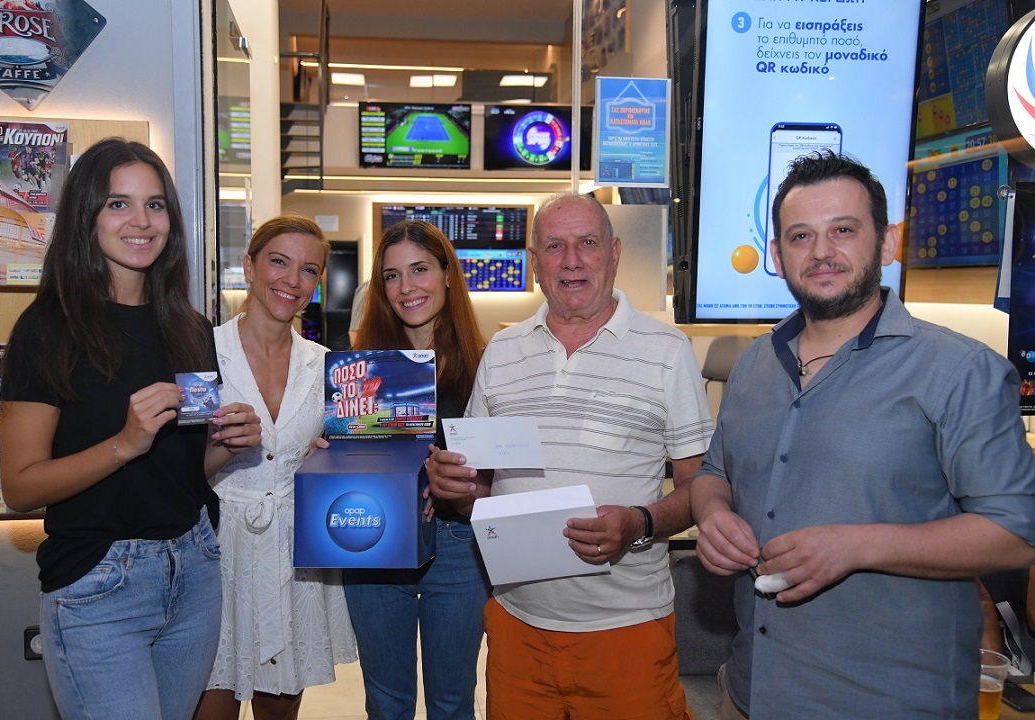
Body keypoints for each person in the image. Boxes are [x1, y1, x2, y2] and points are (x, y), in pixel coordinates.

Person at [689, 151, 1035, 718]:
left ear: (888, 242)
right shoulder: (753, 364)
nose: (821, 252)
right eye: (801, 236)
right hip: (750, 694)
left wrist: (857, 546)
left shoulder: (959, 370)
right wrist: (713, 515)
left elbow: (1016, 531)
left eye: (843, 230)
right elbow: (714, 473)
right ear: (777, 256)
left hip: (888, 702)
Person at [0, 137, 262, 720]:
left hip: (194, 572)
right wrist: (123, 445)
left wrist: (229, 444)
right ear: (86, 216)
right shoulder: (47, 330)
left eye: (155, 204)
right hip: (99, 585)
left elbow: (186, 472)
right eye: (118, 204)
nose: (141, 221)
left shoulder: (190, 328)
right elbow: (19, 486)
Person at [427, 193, 713, 720]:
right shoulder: (502, 352)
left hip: (627, 628)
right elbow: (479, 492)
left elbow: (702, 488)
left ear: (614, 253)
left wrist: (638, 522)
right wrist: (454, 487)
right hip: (517, 628)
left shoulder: (667, 351)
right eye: (555, 247)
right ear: (535, 263)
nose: (572, 261)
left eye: (587, 243)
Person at [195, 214, 357, 720]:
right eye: (279, 262)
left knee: (279, 708)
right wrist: (221, 445)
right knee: (209, 704)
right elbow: (172, 472)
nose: (292, 280)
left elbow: (348, 458)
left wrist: (330, 460)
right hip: (217, 551)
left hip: (295, 553)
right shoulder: (202, 352)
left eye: (309, 270)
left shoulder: (328, 366)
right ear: (249, 266)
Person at [344, 219, 489, 720]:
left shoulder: (487, 365)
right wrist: (331, 450)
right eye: (392, 276)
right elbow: (351, 463)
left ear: (448, 274)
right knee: (387, 705)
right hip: (377, 539)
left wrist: (467, 482)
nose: (406, 287)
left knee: (452, 703)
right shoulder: (359, 370)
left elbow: (504, 473)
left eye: (420, 269)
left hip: (459, 547)